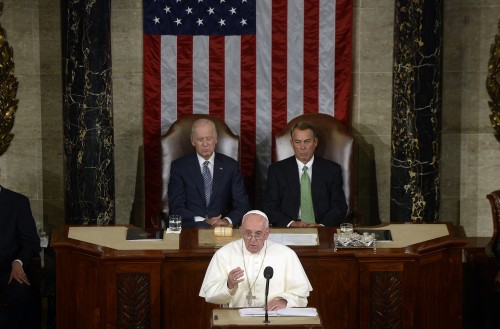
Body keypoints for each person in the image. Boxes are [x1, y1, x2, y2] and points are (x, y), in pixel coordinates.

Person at [199, 210, 312, 310]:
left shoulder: (286, 254)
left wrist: (285, 301)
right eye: (248, 233)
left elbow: (301, 293)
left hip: (275, 318)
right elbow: (209, 293)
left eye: (258, 234)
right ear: (241, 231)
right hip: (238, 320)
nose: (253, 240)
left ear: (267, 233)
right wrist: (228, 284)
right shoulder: (224, 254)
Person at [168, 118, 251, 228]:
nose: (205, 144)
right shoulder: (179, 167)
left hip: (222, 228)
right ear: (193, 141)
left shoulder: (230, 166)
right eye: (200, 139)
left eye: (209, 138)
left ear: (216, 139)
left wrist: (227, 221)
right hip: (192, 228)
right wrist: (204, 221)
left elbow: (242, 205)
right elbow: (176, 207)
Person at [264, 121, 347, 227]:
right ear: (292, 143)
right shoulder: (277, 171)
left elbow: (339, 206)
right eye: (298, 142)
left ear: (315, 142)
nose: (302, 147)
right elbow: (270, 206)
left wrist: (322, 225)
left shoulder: (331, 170)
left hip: (322, 228)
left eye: (307, 141)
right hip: (290, 228)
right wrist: (291, 223)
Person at [0, 168, 41, 329]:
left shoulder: (18, 202)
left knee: (23, 293)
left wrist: (19, 261)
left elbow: (31, 241)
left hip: (8, 268)